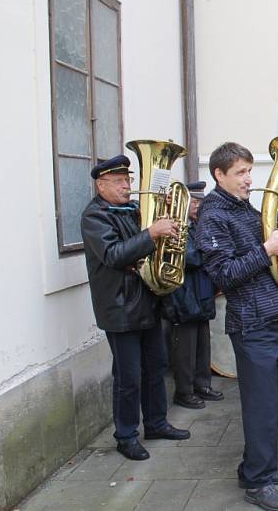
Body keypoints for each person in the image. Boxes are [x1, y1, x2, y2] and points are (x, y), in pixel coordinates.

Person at [195, 142, 278, 511]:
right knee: (260, 406)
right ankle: (258, 482)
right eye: (240, 173)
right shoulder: (212, 216)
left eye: (249, 171)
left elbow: (266, 256)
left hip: (274, 316)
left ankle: (256, 466)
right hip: (251, 323)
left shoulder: (244, 210)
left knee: (273, 402)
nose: (248, 179)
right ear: (219, 175)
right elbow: (223, 274)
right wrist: (268, 250)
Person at [81, 155, 190, 461]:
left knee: (155, 368)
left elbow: (147, 247)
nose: (127, 186)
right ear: (101, 184)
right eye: (119, 181)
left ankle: (155, 423)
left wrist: (164, 216)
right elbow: (114, 255)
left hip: (146, 300)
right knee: (128, 377)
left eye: (128, 180)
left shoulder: (130, 210)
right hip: (119, 308)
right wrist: (152, 232)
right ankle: (126, 435)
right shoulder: (95, 217)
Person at [161, 181, 223, 409]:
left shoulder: (198, 226)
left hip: (202, 291)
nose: (198, 206)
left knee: (202, 343)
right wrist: (209, 252)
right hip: (184, 293)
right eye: (194, 202)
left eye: (200, 202)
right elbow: (192, 258)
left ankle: (202, 384)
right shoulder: (175, 227)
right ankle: (184, 391)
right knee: (185, 347)